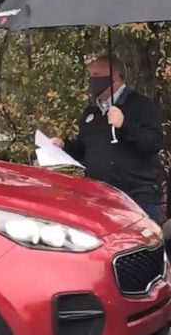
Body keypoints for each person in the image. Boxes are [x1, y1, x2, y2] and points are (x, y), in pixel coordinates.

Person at [52, 53, 164, 226]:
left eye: (97, 75)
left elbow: (153, 143)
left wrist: (125, 124)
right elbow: (84, 149)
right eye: (91, 75)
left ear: (114, 76)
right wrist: (64, 146)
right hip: (99, 198)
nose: (92, 80)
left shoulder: (141, 105)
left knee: (144, 249)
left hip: (137, 197)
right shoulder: (91, 112)